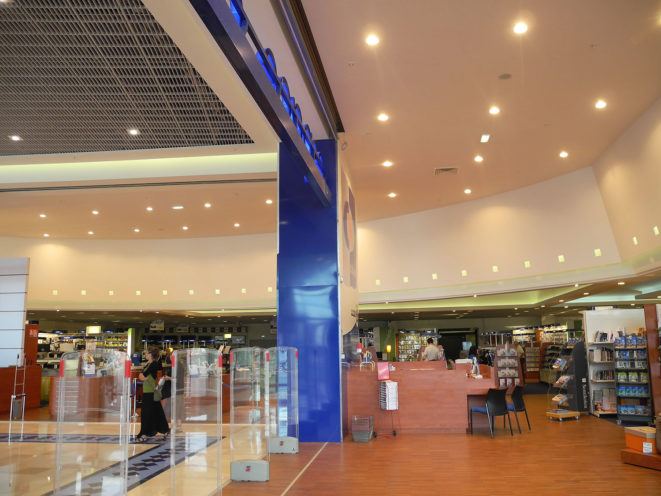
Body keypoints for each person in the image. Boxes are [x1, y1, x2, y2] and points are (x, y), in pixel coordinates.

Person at [136, 348, 170, 442]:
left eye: (146, 353)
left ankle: (144, 433)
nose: (145, 354)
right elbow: (141, 376)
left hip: (150, 393)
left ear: (151, 354)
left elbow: (143, 376)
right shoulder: (148, 364)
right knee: (157, 412)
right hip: (147, 392)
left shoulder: (154, 364)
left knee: (146, 414)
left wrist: (142, 376)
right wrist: (142, 376)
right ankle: (165, 429)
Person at [160, 348, 173, 413]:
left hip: (169, 381)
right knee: (164, 394)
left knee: (164, 394)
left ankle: (162, 411)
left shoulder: (176, 365)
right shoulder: (168, 357)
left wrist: (169, 378)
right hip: (168, 380)